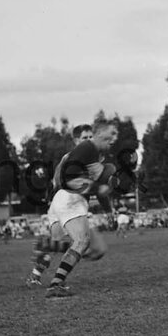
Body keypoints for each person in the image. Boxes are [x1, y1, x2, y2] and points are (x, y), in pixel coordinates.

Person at [26, 120, 118, 298]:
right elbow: (61, 180)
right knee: (90, 246)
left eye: (90, 136)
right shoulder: (75, 157)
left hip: (61, 202)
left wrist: (107, 208)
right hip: (69, 200)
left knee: (63, 243)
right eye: (85, 137)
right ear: (76, 140)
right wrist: (98, 186)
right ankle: (55, 283)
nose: (88, 140)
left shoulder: (89, 158)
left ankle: (36, 274)